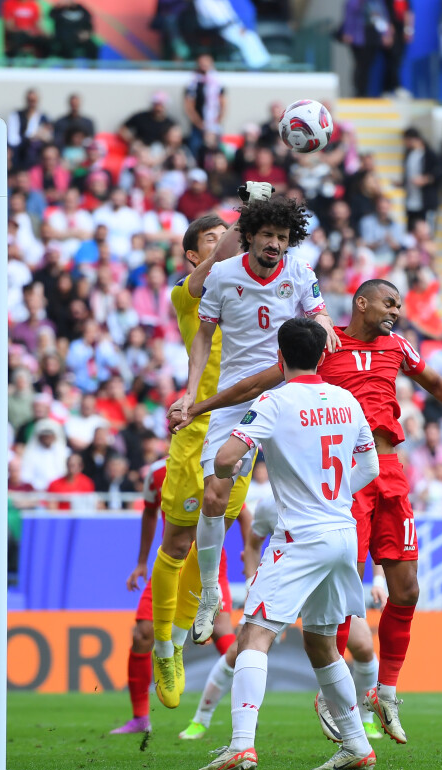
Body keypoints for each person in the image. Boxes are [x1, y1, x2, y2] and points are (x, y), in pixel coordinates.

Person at [175, 279, 442, 744]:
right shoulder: (325, 346)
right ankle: (331, 697)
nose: (396, 311)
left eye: (399, 304)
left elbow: (431, 380)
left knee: (408, 588)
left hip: (390, 472)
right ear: (361, 303)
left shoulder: (398, 346)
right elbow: (261, 381)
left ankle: (386, 691)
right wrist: (201, 406)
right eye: (389, 303)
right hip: (347, 480)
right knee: (339, 597)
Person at [194, 317, 381, 770]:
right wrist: (331, 494)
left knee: (253, 636)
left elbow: (223, 459)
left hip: (300, 537)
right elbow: (370, 467)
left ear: (279, 357)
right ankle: (357, 745)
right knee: (321, 644)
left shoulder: (273, 401)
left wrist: (227, 470)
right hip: (342, 536)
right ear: (323, 356)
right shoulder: (346, 399)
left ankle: (241, 746)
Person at [175, 191, 338, 651]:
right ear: (249, 236)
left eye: (282, 237)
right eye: (267, 234)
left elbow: (320, 312)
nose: (275, 244)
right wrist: (191, 394)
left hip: (289, 396)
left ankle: (310, 592)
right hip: (234, 401)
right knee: (214, 492)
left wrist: (324, 322)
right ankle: (211, 593)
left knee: (309, 495)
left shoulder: (300, 272)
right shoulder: (223, 276)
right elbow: (203, 340)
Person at [144, 208, 264, 710]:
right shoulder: (185, 294)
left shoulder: (252, 288)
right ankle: (165, 646)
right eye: (215, 240)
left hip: (241, 431)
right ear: (194, 254)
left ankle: (196, 606)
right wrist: (243, 220)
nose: (229, 244)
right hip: (196, 427)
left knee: (213, 530)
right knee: (176, 538)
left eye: (232, 236)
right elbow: (208, 269)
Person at [112, 457, 242, 735]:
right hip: (171, 562)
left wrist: (250, 562)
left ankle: (243, 711)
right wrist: (140, 562)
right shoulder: (158, 472)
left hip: (207, 562)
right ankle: (140, 718)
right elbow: (148, 513)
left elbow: (243, 514)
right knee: (141, 635)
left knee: (223, 635)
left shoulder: (222, 461)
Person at [340, 0, 392, 97]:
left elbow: (383, 16)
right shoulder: (354, 2)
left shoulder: (378, 2)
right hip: (357, 37)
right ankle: (358, 91)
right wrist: (348, 32)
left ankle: (363, 91)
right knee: (360, 65)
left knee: (368, 65)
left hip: (372, 35)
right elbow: (349, 15)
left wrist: (386, 34)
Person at [184, 53, 227, 155]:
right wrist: (198, 122)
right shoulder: (193, 83)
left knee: (216, 150)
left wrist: (218, 120)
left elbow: (223, 102)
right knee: (195, 148)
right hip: (198, 125)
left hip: (213, 123)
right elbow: (188, 105)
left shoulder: (217, 82)